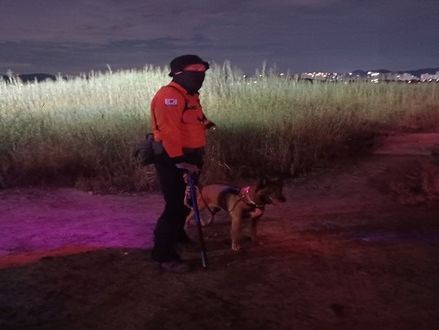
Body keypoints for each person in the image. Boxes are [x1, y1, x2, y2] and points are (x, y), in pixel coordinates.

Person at [150, 54, 214, 273]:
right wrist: (180, 161)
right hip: (173, 158)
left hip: (191, 156)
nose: (200, 74)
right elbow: (169, 132)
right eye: (194, 70)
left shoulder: (190, 95)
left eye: (202, 70)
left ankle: (178, 236)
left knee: (186, 201)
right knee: (175, 206)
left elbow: (193, 119)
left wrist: (205, 123)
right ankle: (163, 254)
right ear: (178, 73)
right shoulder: (170, 96)